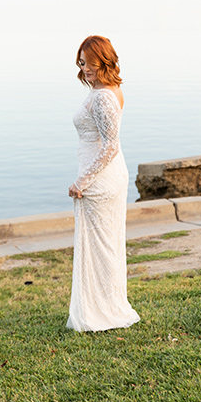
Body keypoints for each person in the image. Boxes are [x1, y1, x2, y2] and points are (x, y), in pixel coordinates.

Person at [66, 35, 140, 332]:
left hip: (100, 179)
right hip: (102, 175)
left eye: (91, 63)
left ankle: (103, 312)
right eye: (82, 63)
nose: (86, 69)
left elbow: (110, 145)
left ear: (104, 61)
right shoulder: (108, 90)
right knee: (103, 245)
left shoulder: (103, 96)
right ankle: (102, 307)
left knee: (102, 246)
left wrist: (81, 181)